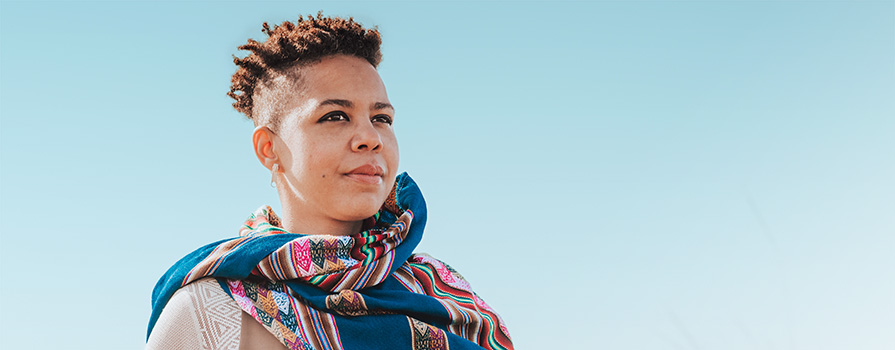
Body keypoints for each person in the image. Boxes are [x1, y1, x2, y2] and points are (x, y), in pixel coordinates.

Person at [145, 14, 514, 350]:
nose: (370, 138)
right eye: (335, 116)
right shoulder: (214, 309)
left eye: (382, 118)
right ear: (269, 147)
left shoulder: (444, 295)